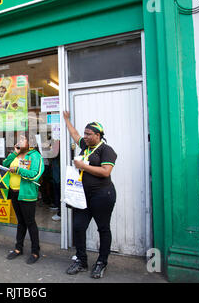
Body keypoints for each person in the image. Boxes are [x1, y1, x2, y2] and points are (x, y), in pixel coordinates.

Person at [63, 111, 117, 279]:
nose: (84, 137)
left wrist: (83, 166)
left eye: (88, 134)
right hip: (82, 197)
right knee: (79, 227)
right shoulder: (85, 146)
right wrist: (66, 119)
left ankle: (101, 262)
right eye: (85, 133)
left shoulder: (106, 150)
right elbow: (74, 134)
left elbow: (105, 171)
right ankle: (81, 260)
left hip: (102, 196)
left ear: (98, 135)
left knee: (103, 228)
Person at [3, 134, 44, 264]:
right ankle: (18, 248)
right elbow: (5, 164)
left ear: (30, 142)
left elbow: (35, 175)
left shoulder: (35, 156)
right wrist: (15, 151)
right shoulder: (16, 154)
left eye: (22, 140)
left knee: (30, 222)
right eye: (18, 140)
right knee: (20, 222)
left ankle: (35, 251)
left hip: (26, 194)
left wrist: (18, 170)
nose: (19, 142)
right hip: (14, 193)